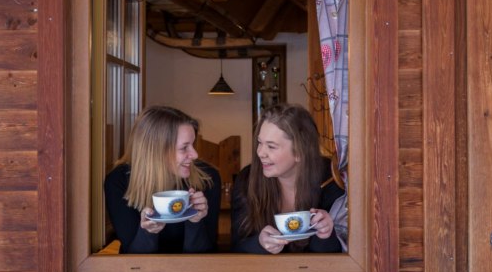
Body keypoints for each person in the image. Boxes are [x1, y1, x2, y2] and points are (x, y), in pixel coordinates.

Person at [104, 106, 221, 254]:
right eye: (184, 147)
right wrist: (148, 232)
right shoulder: (119, 181)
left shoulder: (207, 178)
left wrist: (195, 222)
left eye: (193, 144)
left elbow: (207, 255)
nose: (195, 154)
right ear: (157, 151)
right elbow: (133, 259)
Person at [230, 103, 344, 254]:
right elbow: (236, 246)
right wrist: (259, 243)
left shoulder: (330, 179)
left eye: (271, 146)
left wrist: (325, 233)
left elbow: (335, 256)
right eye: (260, 142)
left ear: (299, 152)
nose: (260, 153)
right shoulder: (247, 179)